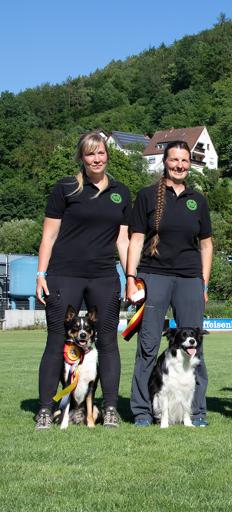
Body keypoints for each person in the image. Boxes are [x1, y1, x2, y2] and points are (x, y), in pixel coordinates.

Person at [34, 131, 131, 430]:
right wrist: (41, 273)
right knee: (55, 343)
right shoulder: (65, 188)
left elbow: (124, 240)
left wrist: (130, 278)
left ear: (107, 154)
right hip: (65, 273)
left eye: (100, 152)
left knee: (108, 342)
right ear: (82, 158)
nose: (96, 158)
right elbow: (49, 235)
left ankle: (110, 408)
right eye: (90, 154)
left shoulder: (121, 191)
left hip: (104, 276)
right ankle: (45, 411)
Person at [125, 141, 213, 427]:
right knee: (149, 345)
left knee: (194, 347)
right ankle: (142, 410)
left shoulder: (197, 200)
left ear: (190, 163)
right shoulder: (147, 196)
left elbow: (207, 245)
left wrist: (204, 282)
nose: (179, 165)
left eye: (184, 160)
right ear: (165, 161)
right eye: (174, 160)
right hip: (153, 276)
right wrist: (130, 277)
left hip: (189, 278)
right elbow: (136, 239)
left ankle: (196, 412)